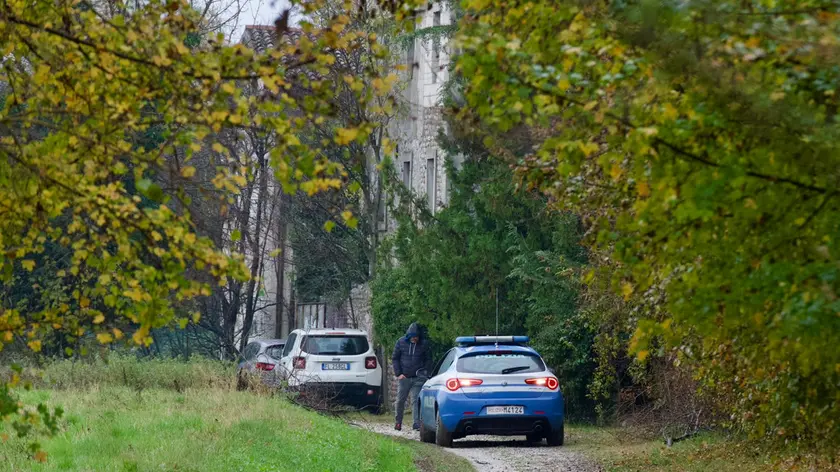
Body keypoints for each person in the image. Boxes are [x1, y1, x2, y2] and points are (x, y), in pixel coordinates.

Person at [391, 322, 431, 431]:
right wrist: (399, 374)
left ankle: (416, 423)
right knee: (400, 400)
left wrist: (424, 372)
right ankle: (398, 422)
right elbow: (395, 358)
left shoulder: (424, 344)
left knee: (415, 400)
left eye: (416, 337)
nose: (415, 339)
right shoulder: (400, 342)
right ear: (409, 336)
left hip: (418, 378)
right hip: (404, 378)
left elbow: (428, 359)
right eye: (413, 337)